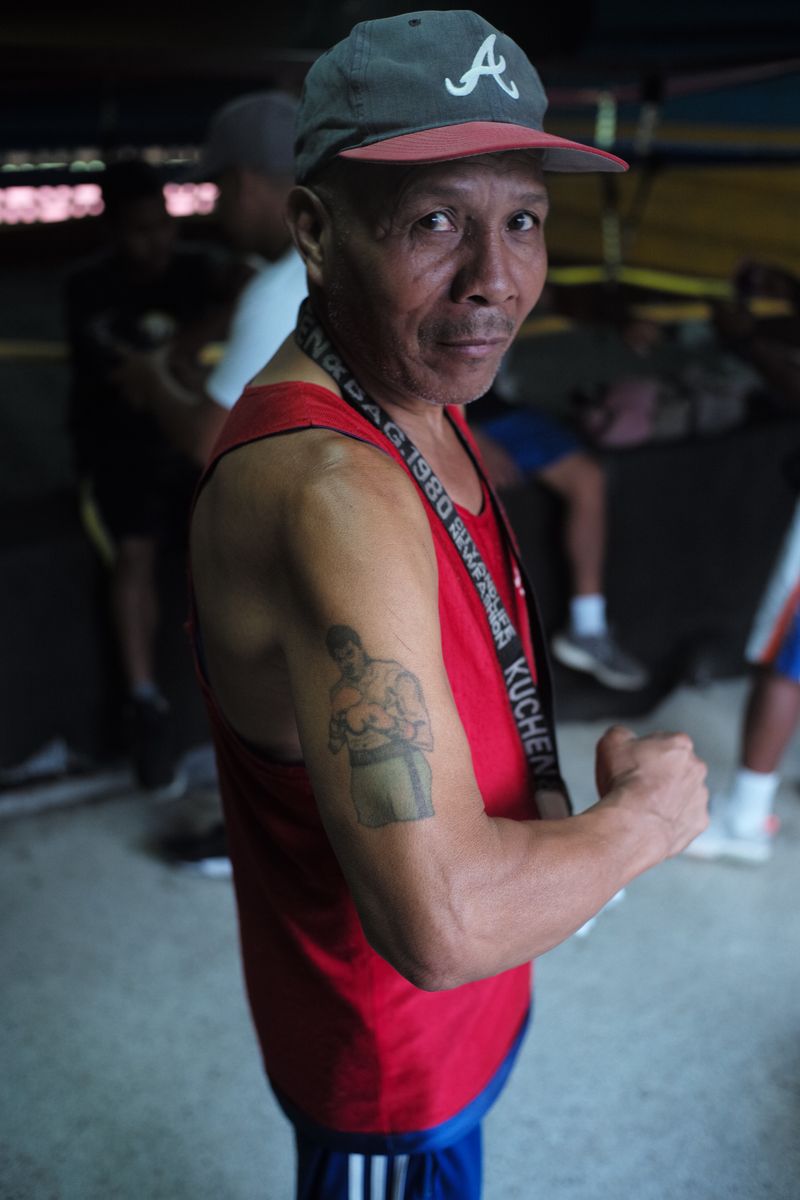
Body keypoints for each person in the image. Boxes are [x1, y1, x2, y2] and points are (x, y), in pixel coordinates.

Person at [187, 12, 709, 1197]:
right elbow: (446, 925)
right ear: (315, 232)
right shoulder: (329, 491)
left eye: (520, 219)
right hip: (392, 1075)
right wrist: (644, 819)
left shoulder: (405, 387)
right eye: (433, 223)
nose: (495, 280)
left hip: (452, 1032)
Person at [64, 159, 235, 791]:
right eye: (139, 230)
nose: (155, 242)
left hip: (186, 440)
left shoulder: (200, 270)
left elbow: (241, 307)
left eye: (162, 227)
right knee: (134, 554)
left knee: (233, 543)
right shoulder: (88, 288)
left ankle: (239, 702)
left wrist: (185, 355)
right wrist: (184, 365)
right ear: (112, 231)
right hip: (121, 446)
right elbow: (136, 384)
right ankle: (144, 705)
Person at [128, 90, 308, 465]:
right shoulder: (326, 258)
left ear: (242, 185)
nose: (216, 205)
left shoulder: (276, 292)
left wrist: (152, 377)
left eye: (218, 188)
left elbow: (209, 443)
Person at [468, 385, 649, 689]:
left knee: (588, 478)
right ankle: (478, 654)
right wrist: (466, 433)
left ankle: (587, 628)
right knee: (471, 495)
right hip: (432, 417)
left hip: (489, 409)